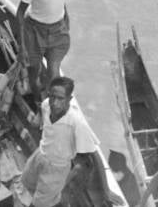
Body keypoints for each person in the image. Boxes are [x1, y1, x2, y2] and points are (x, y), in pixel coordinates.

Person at [21, 76, 109, 207]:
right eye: (52, 97)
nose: (55, 103)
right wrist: (36, 120)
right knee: (26, 180)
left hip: (57, 167)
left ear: (69, 99)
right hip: (40, 154)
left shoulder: (76, 123)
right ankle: (54, 197)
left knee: (39, 203)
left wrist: (106, 190)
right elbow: (41, 117)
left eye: (61, 99)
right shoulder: (46, 104)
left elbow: (94, 154)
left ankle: (52, 197)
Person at [17, 0, 74, 103]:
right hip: (34, 32)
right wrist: (22, 46)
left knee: (54, 73)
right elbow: (20, 12)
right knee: (33, 74)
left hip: (58, 32)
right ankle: (38, 101)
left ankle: (53, 104)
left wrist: (66, 15)